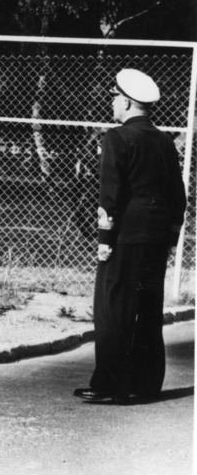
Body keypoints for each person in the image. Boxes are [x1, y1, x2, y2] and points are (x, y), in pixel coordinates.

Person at [74, 68, 187, 404]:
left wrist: (104, 241)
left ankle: (109, 384)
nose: (112, 103)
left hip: (125, 236)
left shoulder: (116, 138)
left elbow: (110, 195)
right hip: (156, 237)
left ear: (125, 101)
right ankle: (146, 383)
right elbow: (178, 196)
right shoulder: (165, 140)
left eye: (114, 98)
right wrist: (170, 237)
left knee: (113, 308)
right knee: (148, 308)